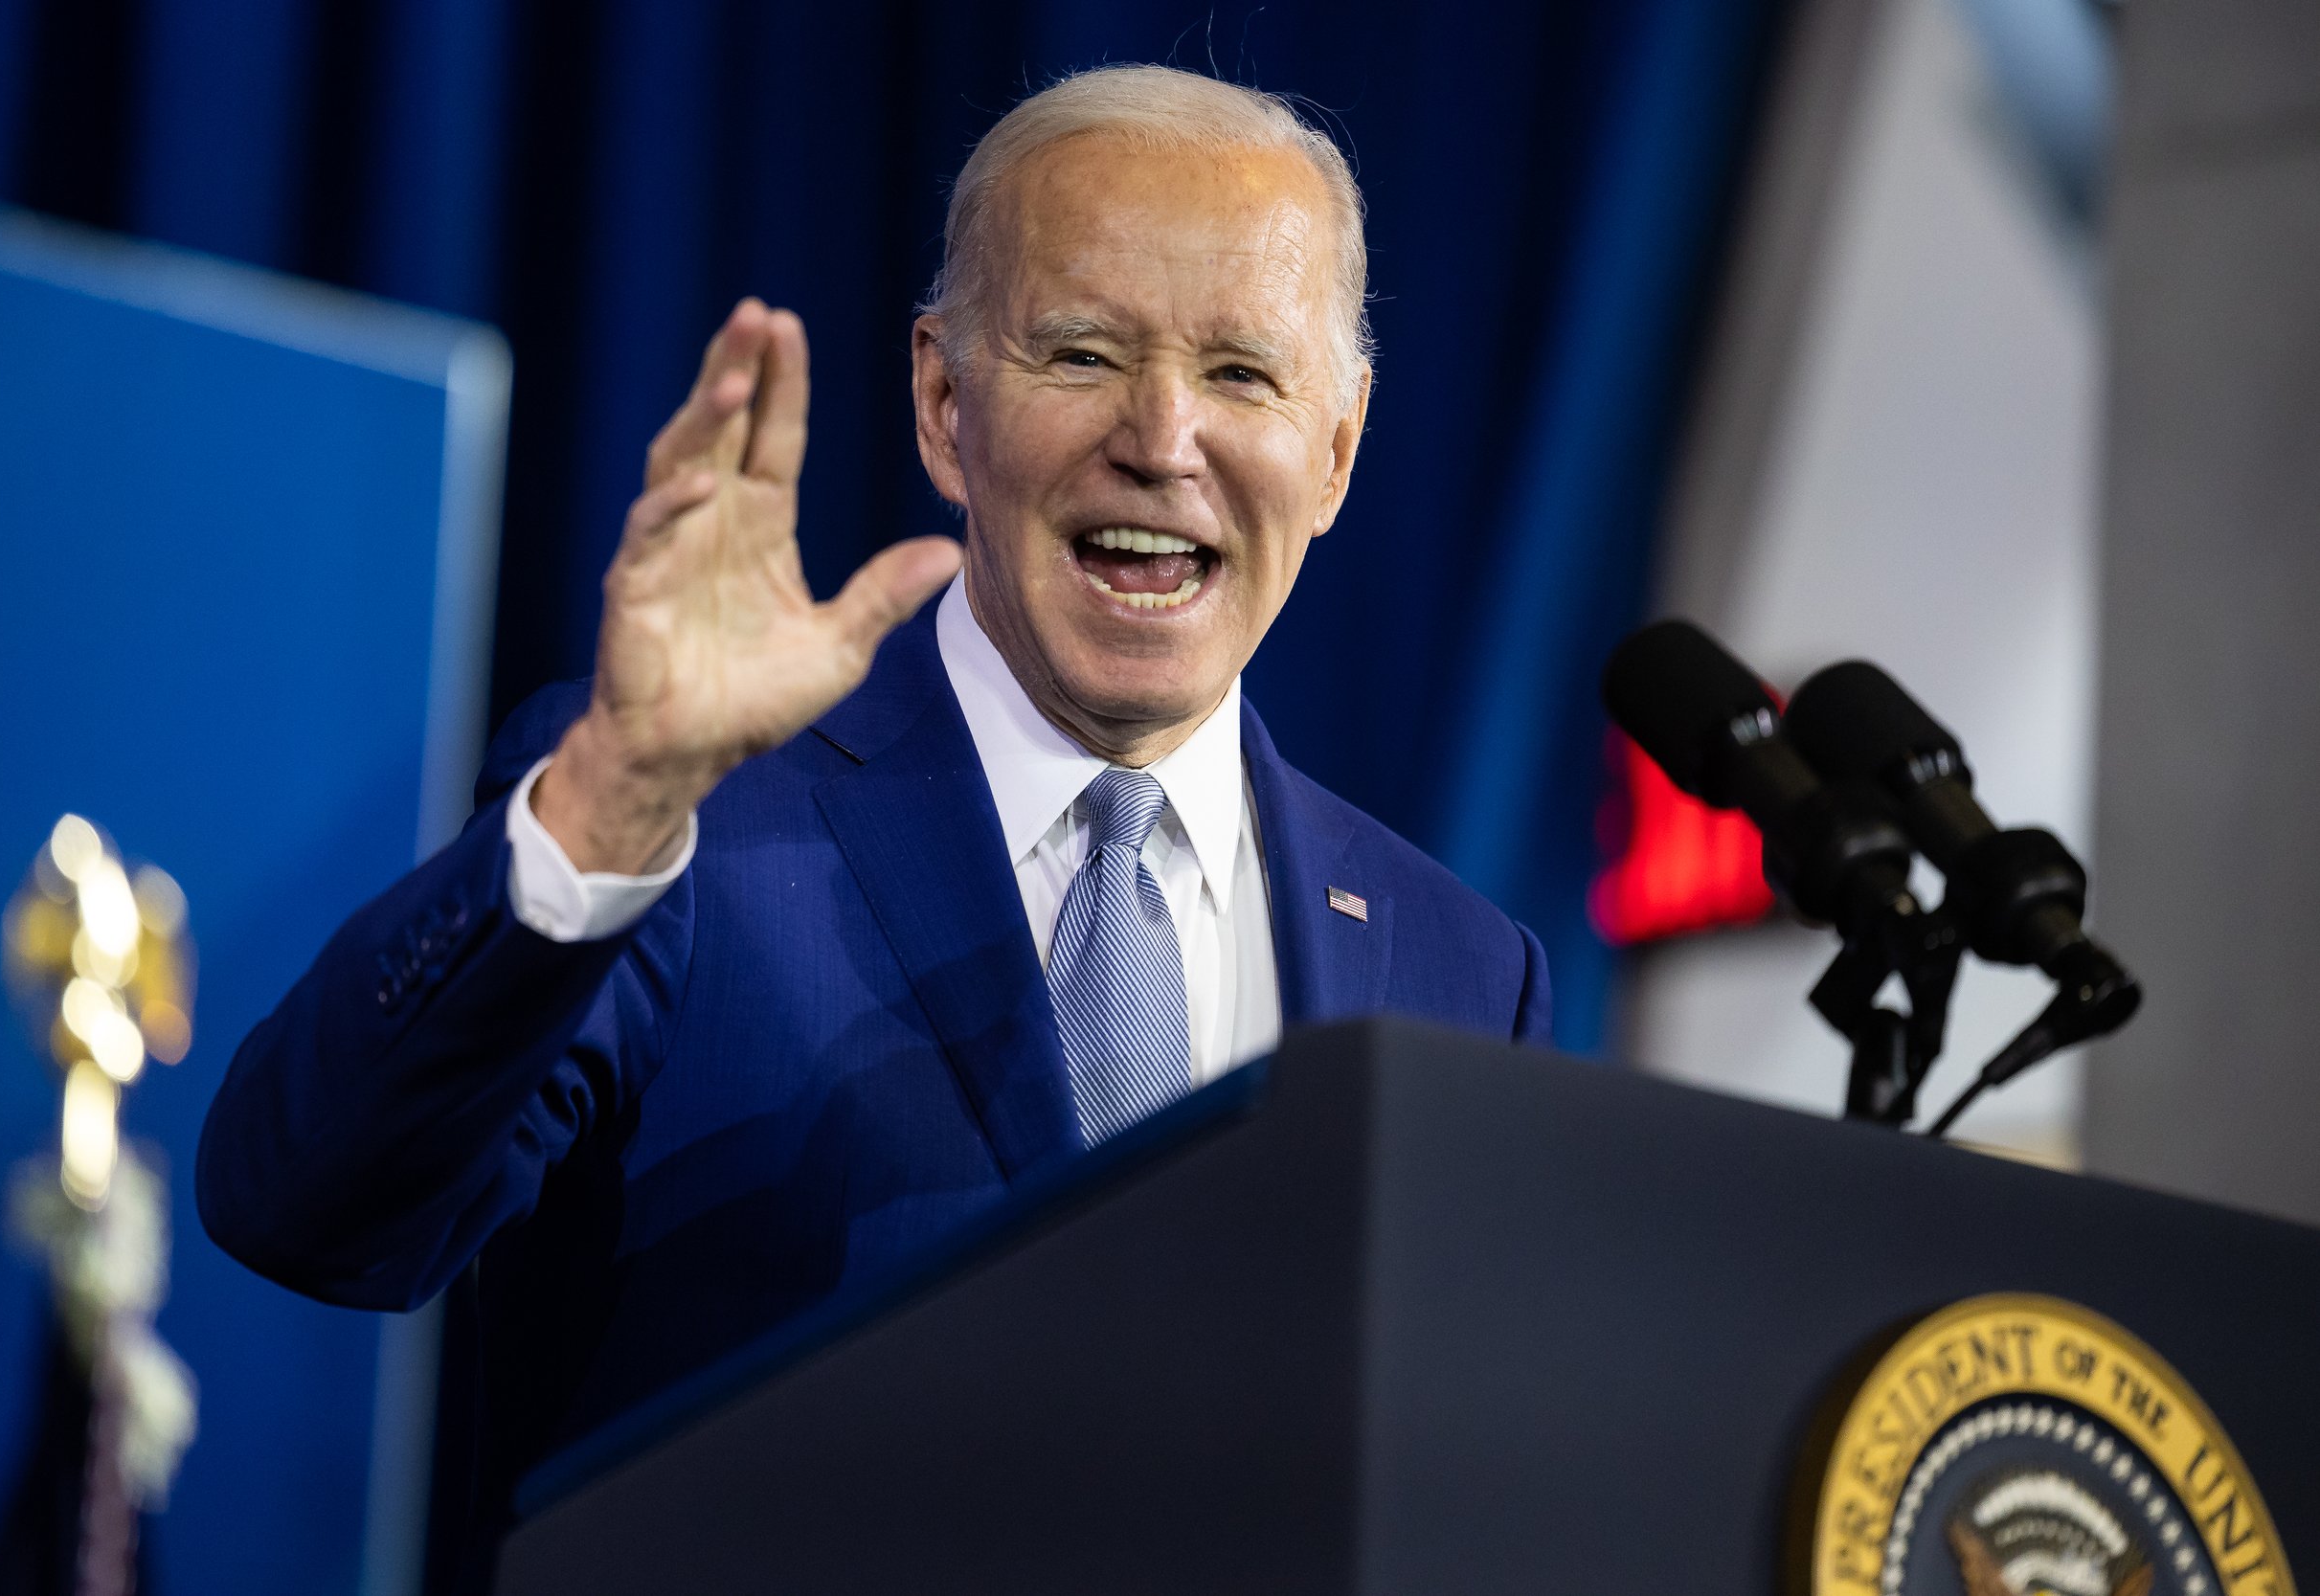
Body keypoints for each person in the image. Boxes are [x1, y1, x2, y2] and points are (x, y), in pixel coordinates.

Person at [198, 63, 1549, 1549]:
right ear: (941, 402)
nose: (1164, 441)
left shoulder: (1463, 973)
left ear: (1340, 448)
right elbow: (307, 1204)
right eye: (1085, 354)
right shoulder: (687, 827)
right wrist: (609, 803)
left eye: (1242, 374)